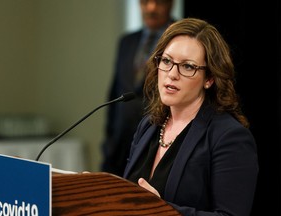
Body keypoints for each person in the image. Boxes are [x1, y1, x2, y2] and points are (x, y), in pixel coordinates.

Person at [123, 17, 259, 216]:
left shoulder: (229, 137)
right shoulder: (149, 126)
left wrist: (160, 210)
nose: (172, 74)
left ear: (210, 79)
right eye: (167, 61)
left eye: (188, 66)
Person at [101, 0, 176, 176]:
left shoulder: (180, 40)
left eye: (158, 2)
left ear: (170, 4)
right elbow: (115, 91)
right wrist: (109, 142)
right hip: (118, 148)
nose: (151, 8)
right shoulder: (127, 42)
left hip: (155, 144)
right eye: (144, 2)